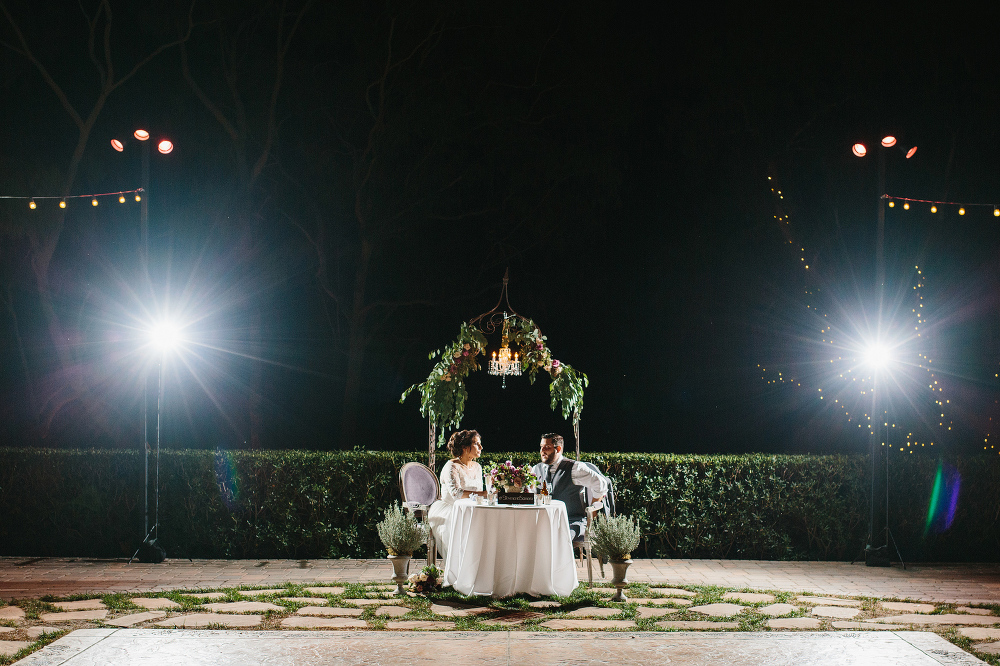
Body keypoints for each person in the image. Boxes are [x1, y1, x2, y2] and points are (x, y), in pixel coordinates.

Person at [532, 433, 607, 540]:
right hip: (545, 521)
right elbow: (531, 494)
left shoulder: (575, 468)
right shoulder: (536, 469)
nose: (542, 451)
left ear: (558, 448)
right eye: (541, 447)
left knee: (559, 538)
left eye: (547, 447)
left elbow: (601, 484)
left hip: (571, 521)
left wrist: (593, 512)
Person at [427, 429, 484, 560]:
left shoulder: (477, 467)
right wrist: (484, 493)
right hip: (451, 509)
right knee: (465, 526)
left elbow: (479, 493)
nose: (481, 447)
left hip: (471, 508)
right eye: (476, 444)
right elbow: (456, 494)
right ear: (464, 447)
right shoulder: (451, 466)